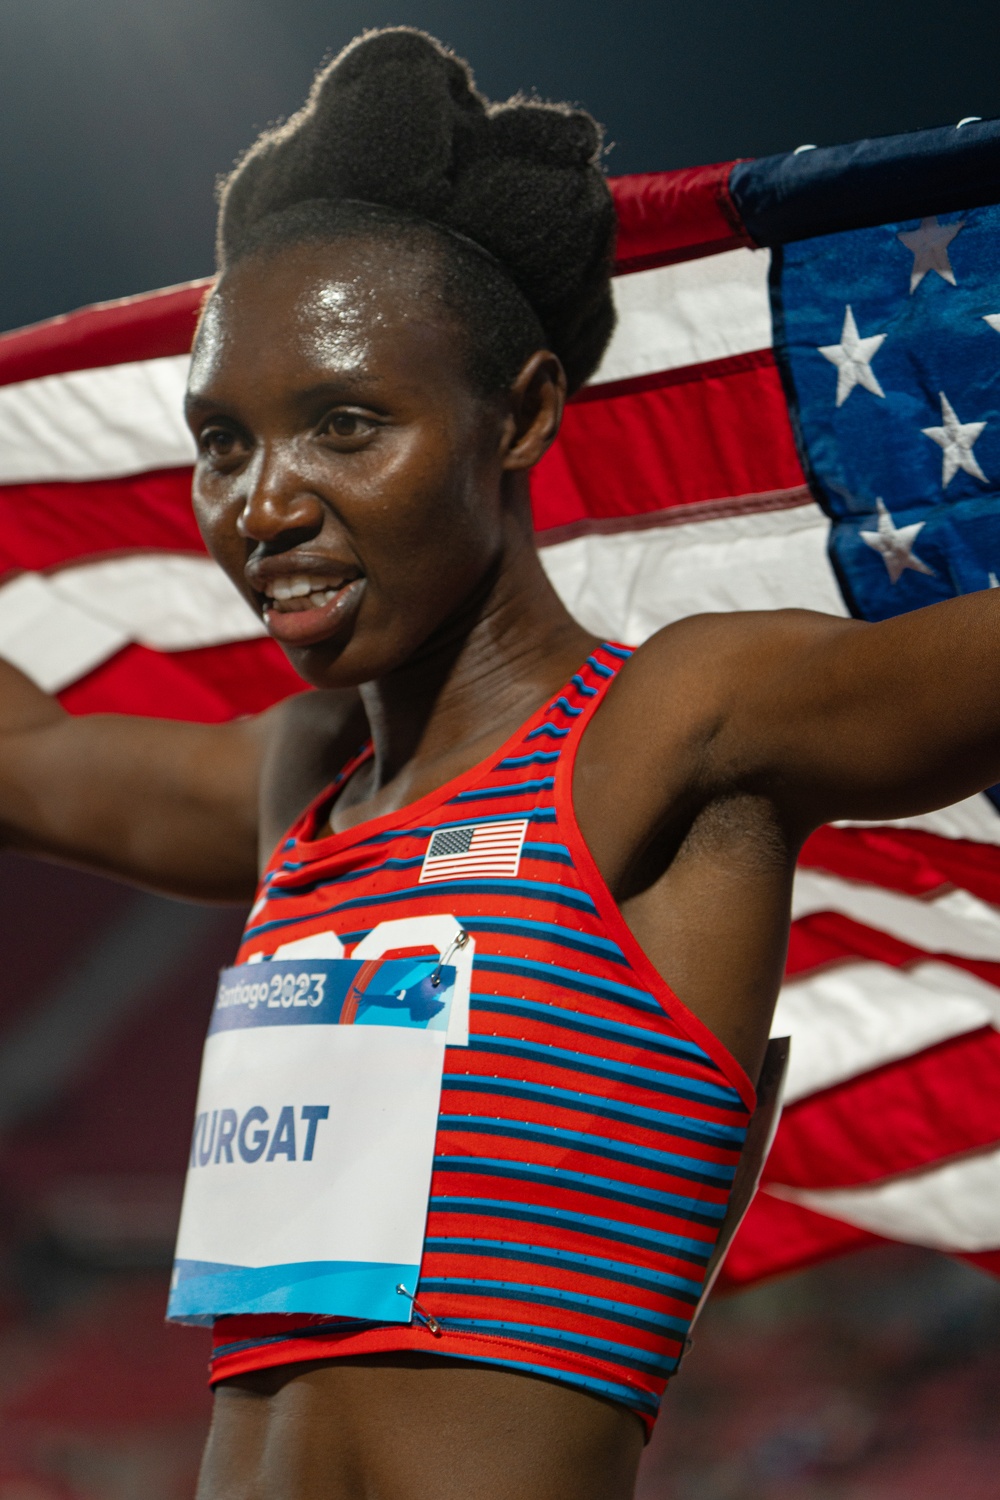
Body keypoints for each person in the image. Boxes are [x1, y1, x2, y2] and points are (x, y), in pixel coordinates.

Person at [1, 26, 998, 1500]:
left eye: (347, 424)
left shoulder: (675, 730)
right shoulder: (304, 792)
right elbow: (23, 760)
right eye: (223, 442)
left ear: (521, 413)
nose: (263, 503)